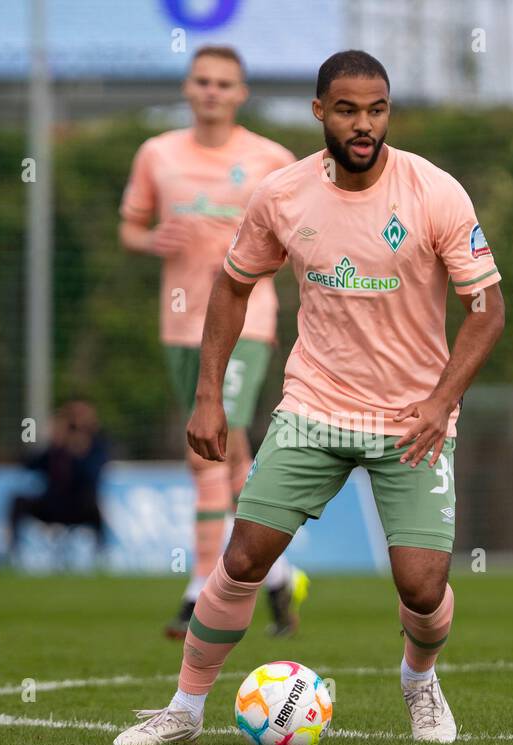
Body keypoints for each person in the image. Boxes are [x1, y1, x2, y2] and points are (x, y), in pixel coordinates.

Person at [114, 50, 505, 745]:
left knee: (421, 587)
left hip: (412, 418)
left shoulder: (436, 192)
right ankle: (183, 708)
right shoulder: (282, 194)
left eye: (377, 109)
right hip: (314, 409)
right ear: (320, 111)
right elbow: (233, 285)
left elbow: (488, 310)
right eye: (349, 110)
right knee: (242, 560)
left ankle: (421, 682)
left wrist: (440, 401)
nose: (364, 124)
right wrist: (209, 396)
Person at [118, 45, 307, 639]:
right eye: (202, 81)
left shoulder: (271, 160)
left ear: (241, 92)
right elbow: (130, 226)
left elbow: (308, 232)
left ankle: (201, 586)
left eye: (224, 83)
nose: (212, 92)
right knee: (227, 452)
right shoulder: (158, 153)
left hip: (246, 322)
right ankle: (278, 578)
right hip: (180, 323)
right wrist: (153, 241)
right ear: (187, 86)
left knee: (208, 450)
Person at [7, 401, 109, 558]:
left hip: (79, 505)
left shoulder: (96, 447)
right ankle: (13, 553)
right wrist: (36, 436)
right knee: (18, 501)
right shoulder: (55, 449)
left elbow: (92, 475)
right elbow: (28, 463)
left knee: (96, 507)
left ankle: (101, 556)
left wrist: (79, 451)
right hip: (53, 504)